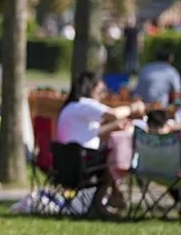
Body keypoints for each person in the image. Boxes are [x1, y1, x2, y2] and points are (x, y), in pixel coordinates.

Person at [56, 71, 144, 212]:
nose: (103, 95)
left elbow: (92, 133)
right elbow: (114, 114)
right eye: (101, 91)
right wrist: (133, 107)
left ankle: (107, 198)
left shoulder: (71, 107)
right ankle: (108, 197)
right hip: (81, 162)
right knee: (114, 154)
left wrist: (114, 126)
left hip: (65, 163)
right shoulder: (86, 104)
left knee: (109, 153)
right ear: (92, 89)